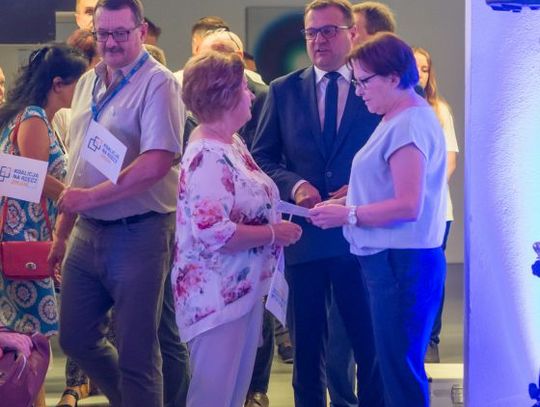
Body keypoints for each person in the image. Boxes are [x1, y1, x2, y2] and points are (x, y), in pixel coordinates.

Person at [48, 1, 184, 406]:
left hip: (139, 231)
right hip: (88, 229)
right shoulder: (89, 82)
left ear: (141, 31)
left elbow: (157, 162)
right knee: (75, 337)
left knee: (137, 352)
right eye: (103, 33)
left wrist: (88, 198)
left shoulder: (158, 83)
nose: (110, 42)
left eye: (120, 33)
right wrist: (62, 233)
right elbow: (79, 163)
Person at [251, 1, 383, 406]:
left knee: (369, 349)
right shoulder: (283, 90)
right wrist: (296, 185)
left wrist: (359, 188)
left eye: (328, 31)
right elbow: (262, 158)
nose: (318, 40)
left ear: (351, 34)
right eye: (311, 32)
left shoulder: (373, 85)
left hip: (359, 237)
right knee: (307, 353)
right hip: (305, 240)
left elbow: (390, 159)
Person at [310, 32, 447, 406]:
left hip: (400, 262)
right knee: (392, 369)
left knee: (398, 374)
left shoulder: (408, 124)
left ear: (393, 77)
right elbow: (390, 187)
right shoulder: (398, 117)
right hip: (393, 261)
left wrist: (348, 214)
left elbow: (408, 205)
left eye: (364, 82)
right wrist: (350, 197)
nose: (358, 92)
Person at [174, 51, 302, 407]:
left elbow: (255, 201)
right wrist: (274, 234)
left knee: (231, 394)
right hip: (216, 297)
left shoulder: (232, 142)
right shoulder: (206, 154)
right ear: (225, 96)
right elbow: (213, 231)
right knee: (213, 397)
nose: (251, 95)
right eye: (245, 87)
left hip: (239, 292)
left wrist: (303, 210)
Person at [0, 44, 87, 407]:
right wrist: (75, 196)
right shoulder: (34, 118)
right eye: (79, 83)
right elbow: (33, 180)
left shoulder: (32, 116)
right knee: (32, 334)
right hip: (25, 240)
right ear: (58, 84)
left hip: (26, 237)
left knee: (27, 333)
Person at [414, 46, 459, 363]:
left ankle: (431, 339)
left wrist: (424, 191)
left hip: (437, 209)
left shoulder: (439, 110)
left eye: (425, 68)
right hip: (403, 211)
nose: (419, 74)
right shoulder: (391, 110)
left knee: (432, 275)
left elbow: (450, 160)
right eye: (414, 67)